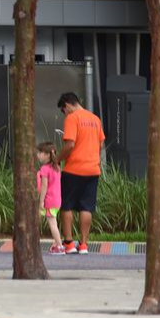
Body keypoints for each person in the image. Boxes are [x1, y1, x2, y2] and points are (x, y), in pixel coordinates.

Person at [56, 92, 104, 255]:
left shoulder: (72, 118)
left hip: (74, 169)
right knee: (86, 207)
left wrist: (57, 160)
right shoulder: (95, 119)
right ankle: (83, 244)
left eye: (63, 111)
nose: (64, 114)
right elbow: (101, 144)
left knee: (66, 205)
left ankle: (69, 243)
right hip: (93, 169)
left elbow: (70, 144)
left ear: (67, 105)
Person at [37, 141, 65, 255]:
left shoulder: (44, 169)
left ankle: (60, 246)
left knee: (52, 224)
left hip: (48, 201)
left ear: (48, 154)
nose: (38, 155)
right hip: (56, 200)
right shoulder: (57, 167)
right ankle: (56, 244)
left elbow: (44, 185)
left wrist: (41, 201)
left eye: (40, 153)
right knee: (45, 220)